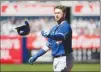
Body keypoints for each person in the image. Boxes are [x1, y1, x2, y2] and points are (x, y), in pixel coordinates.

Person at [28, 5, 74, 72]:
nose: (56, 15)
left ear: (64, 14)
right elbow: (47, 46)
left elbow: (61, 36)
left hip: (64, 59)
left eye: (58, 13)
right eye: (55, 13)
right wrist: (36, 56)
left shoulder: (66, 26)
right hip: (57, 59)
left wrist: (50, 35)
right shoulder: (54, 28)